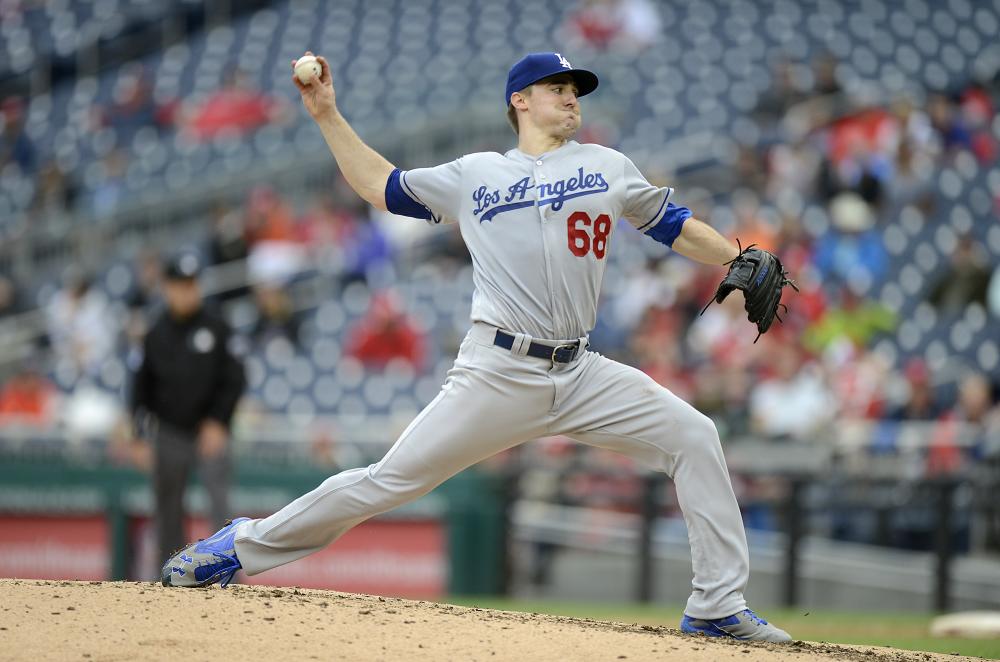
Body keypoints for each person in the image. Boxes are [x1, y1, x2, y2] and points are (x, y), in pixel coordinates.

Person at [161, 51, 792, 643]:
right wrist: (327, 113)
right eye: (559, 90)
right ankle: (240, 546)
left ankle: (715, 605)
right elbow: (379, 184)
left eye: (576, 92)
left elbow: (675, 227)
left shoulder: (606, 165)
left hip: (581, 371)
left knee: (694, 436)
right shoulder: (476, 174)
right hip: (497, 371)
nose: (572, 101)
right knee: (388, 481)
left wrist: (737, 254)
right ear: (520, 100)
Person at [131, 252, 246, 570]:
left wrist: (219, 422)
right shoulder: (155, 333)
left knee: (220, 507)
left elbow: (235, 378)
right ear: (167, 288)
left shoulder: (217, 326)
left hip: (209, 430)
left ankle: (227, 577)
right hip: (169, 431)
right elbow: (140, 387)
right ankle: (170, 577)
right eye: (180, 285)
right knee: (167, 507)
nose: (187, 291)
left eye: (192, 284)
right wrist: (139, 434)